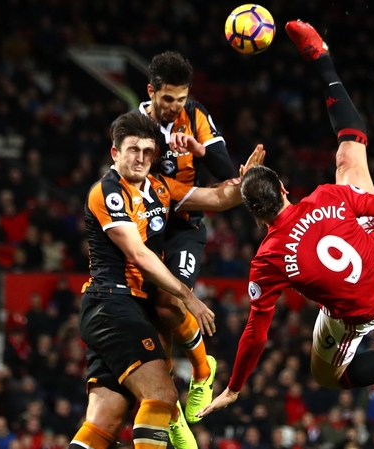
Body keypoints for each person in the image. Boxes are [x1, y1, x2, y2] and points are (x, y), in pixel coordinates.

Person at [197, 21, 374, 418]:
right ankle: (322, 61)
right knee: (349, 155)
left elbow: (256, 334)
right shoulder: (327, 195)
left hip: (367, 306)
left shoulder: (267, 262)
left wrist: (234, 388)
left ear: (251, 214)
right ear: (284, 188)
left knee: (329, 376)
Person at [68, 112, 263, 449]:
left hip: (124, 310)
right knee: (162, 394)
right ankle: (203, 371)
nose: (141, 158)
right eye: (132, 150)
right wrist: (187, 295)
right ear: (115, 153)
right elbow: (139, 255)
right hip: (112, 304)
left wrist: (245, 182)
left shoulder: (159, 187)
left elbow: (217, 198)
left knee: (106, 419)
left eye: (147, 151)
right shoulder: (108, 192)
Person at [140, 51, 235, 426]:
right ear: (151, 92)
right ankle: (171, 412)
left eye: (180, 99)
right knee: (155, 324)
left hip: (184, 227)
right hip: (146, 226)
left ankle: (202, 370)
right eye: (167, 99)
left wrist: (198, 151)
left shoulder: (195, 116)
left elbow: (225, 170)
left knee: (168, 300)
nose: (174, 107)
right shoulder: (134, 125)